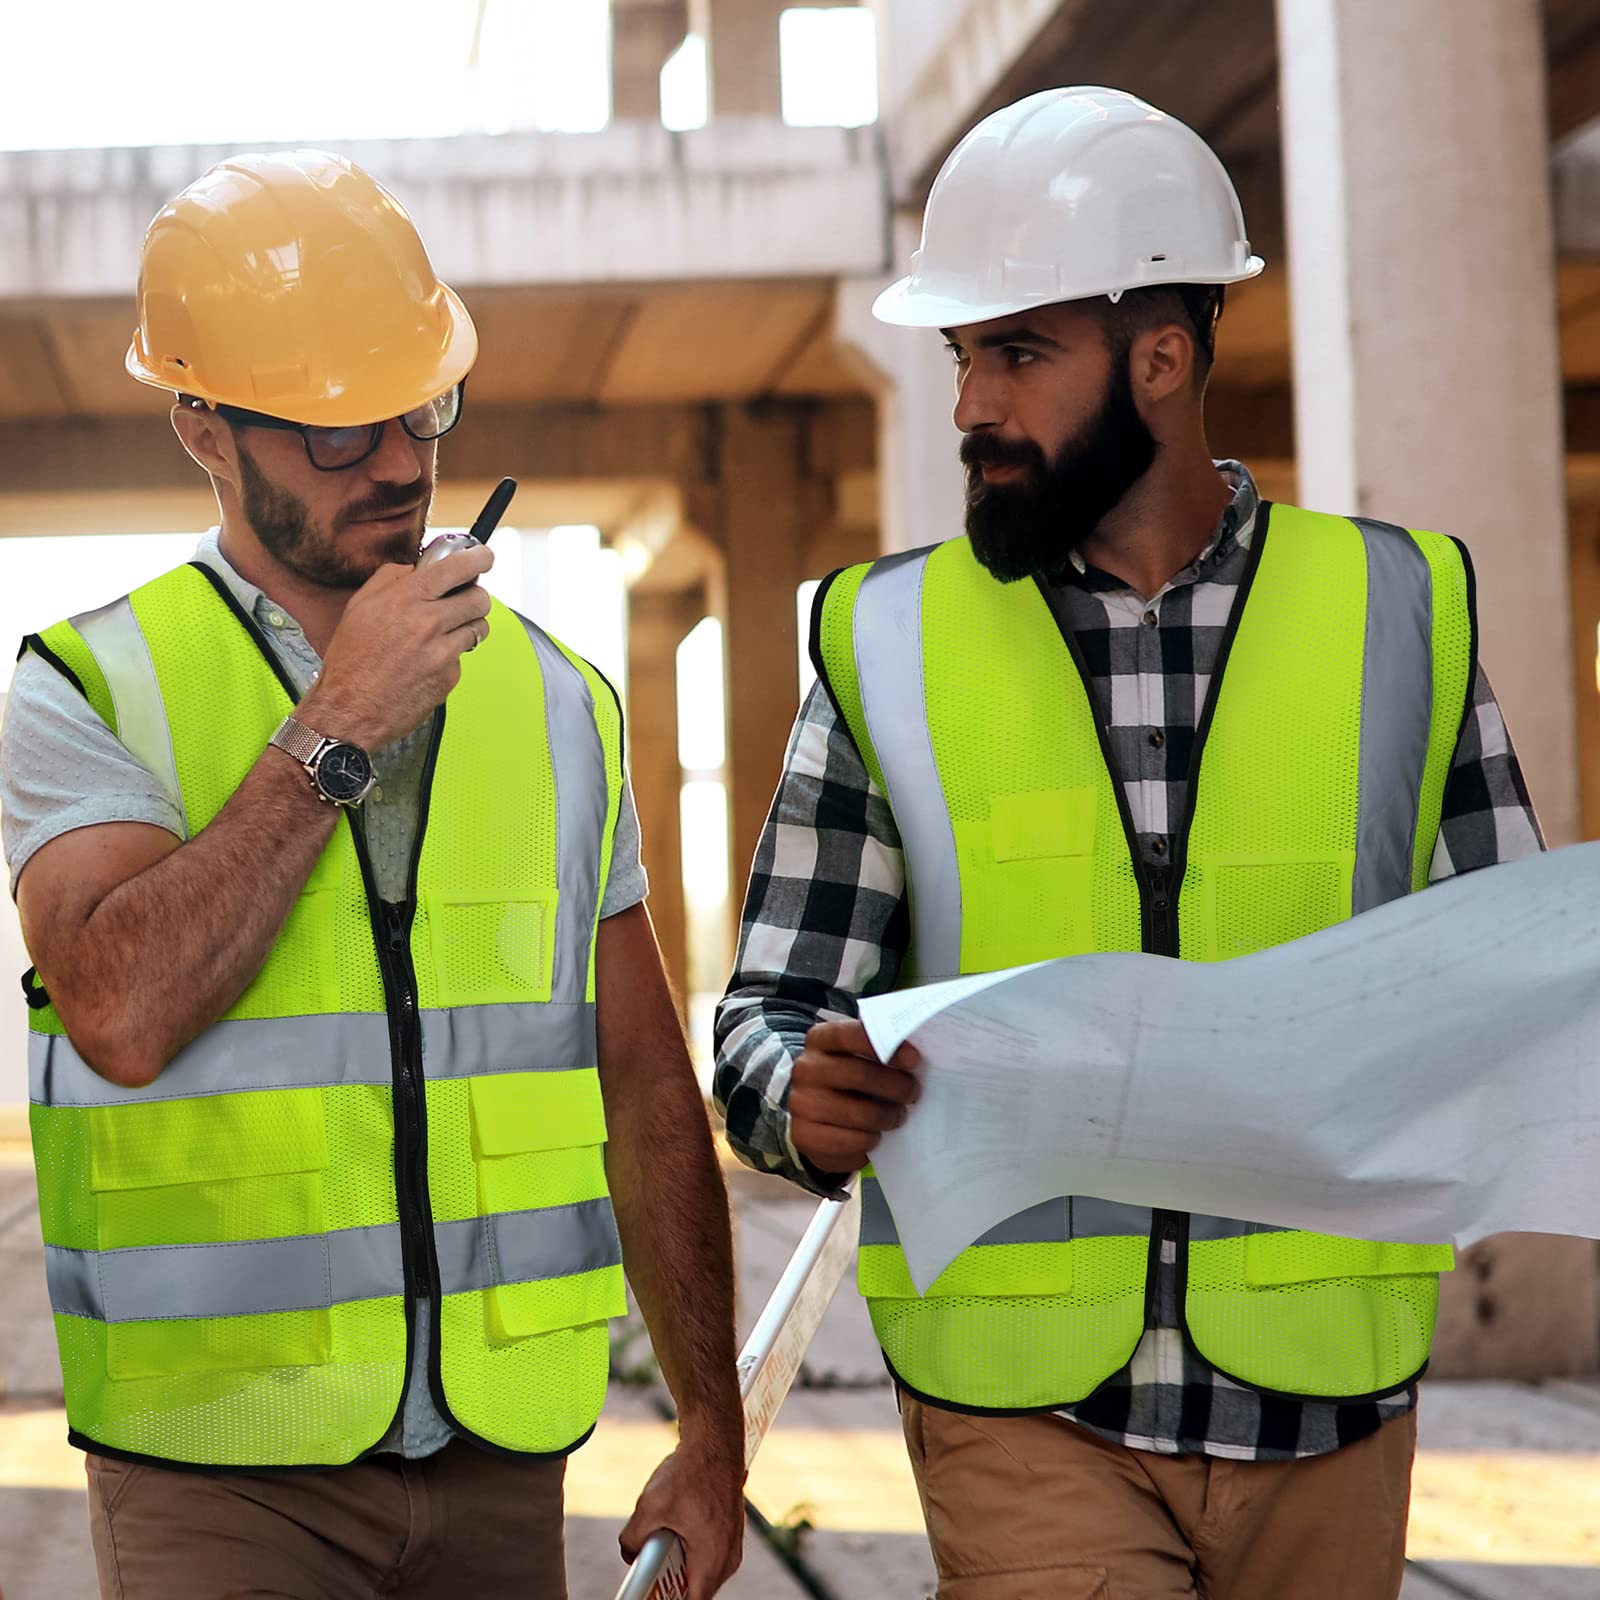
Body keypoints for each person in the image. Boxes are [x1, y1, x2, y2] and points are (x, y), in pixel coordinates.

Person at [714, 87, 1543, 1599]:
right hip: (1020, 1405)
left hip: (1327, 1395)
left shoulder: (1399, 615)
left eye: (1019, 353)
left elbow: (1508, 992)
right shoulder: (885, 642)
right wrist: (800, 1099)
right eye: (963, 356)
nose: (971, 406)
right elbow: (768, 1012)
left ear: (1160, 358)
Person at [2, 149, 743, 1600]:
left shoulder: (560, 702)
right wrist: (337, 725)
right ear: (204, 428)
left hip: (501, 1452)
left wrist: (710, 1433)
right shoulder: (89, 687)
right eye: (340, 432)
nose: (402, 462)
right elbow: (121, 1012)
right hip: (222, 1469)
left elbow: (646, 1087)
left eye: (423, 407)